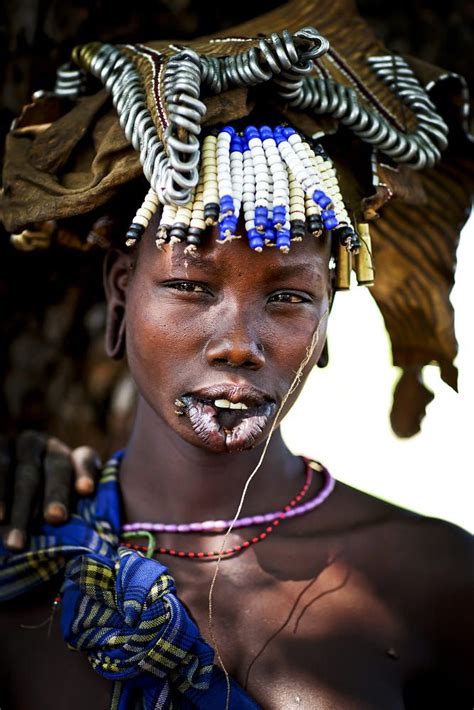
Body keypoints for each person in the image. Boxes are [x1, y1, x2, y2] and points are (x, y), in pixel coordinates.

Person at [0, 1, 473, 708]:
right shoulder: (25, 557)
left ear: (326, 324)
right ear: (122, 294)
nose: (238, 345)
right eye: (190, 286)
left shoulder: (435, 578)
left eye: (288, 299)